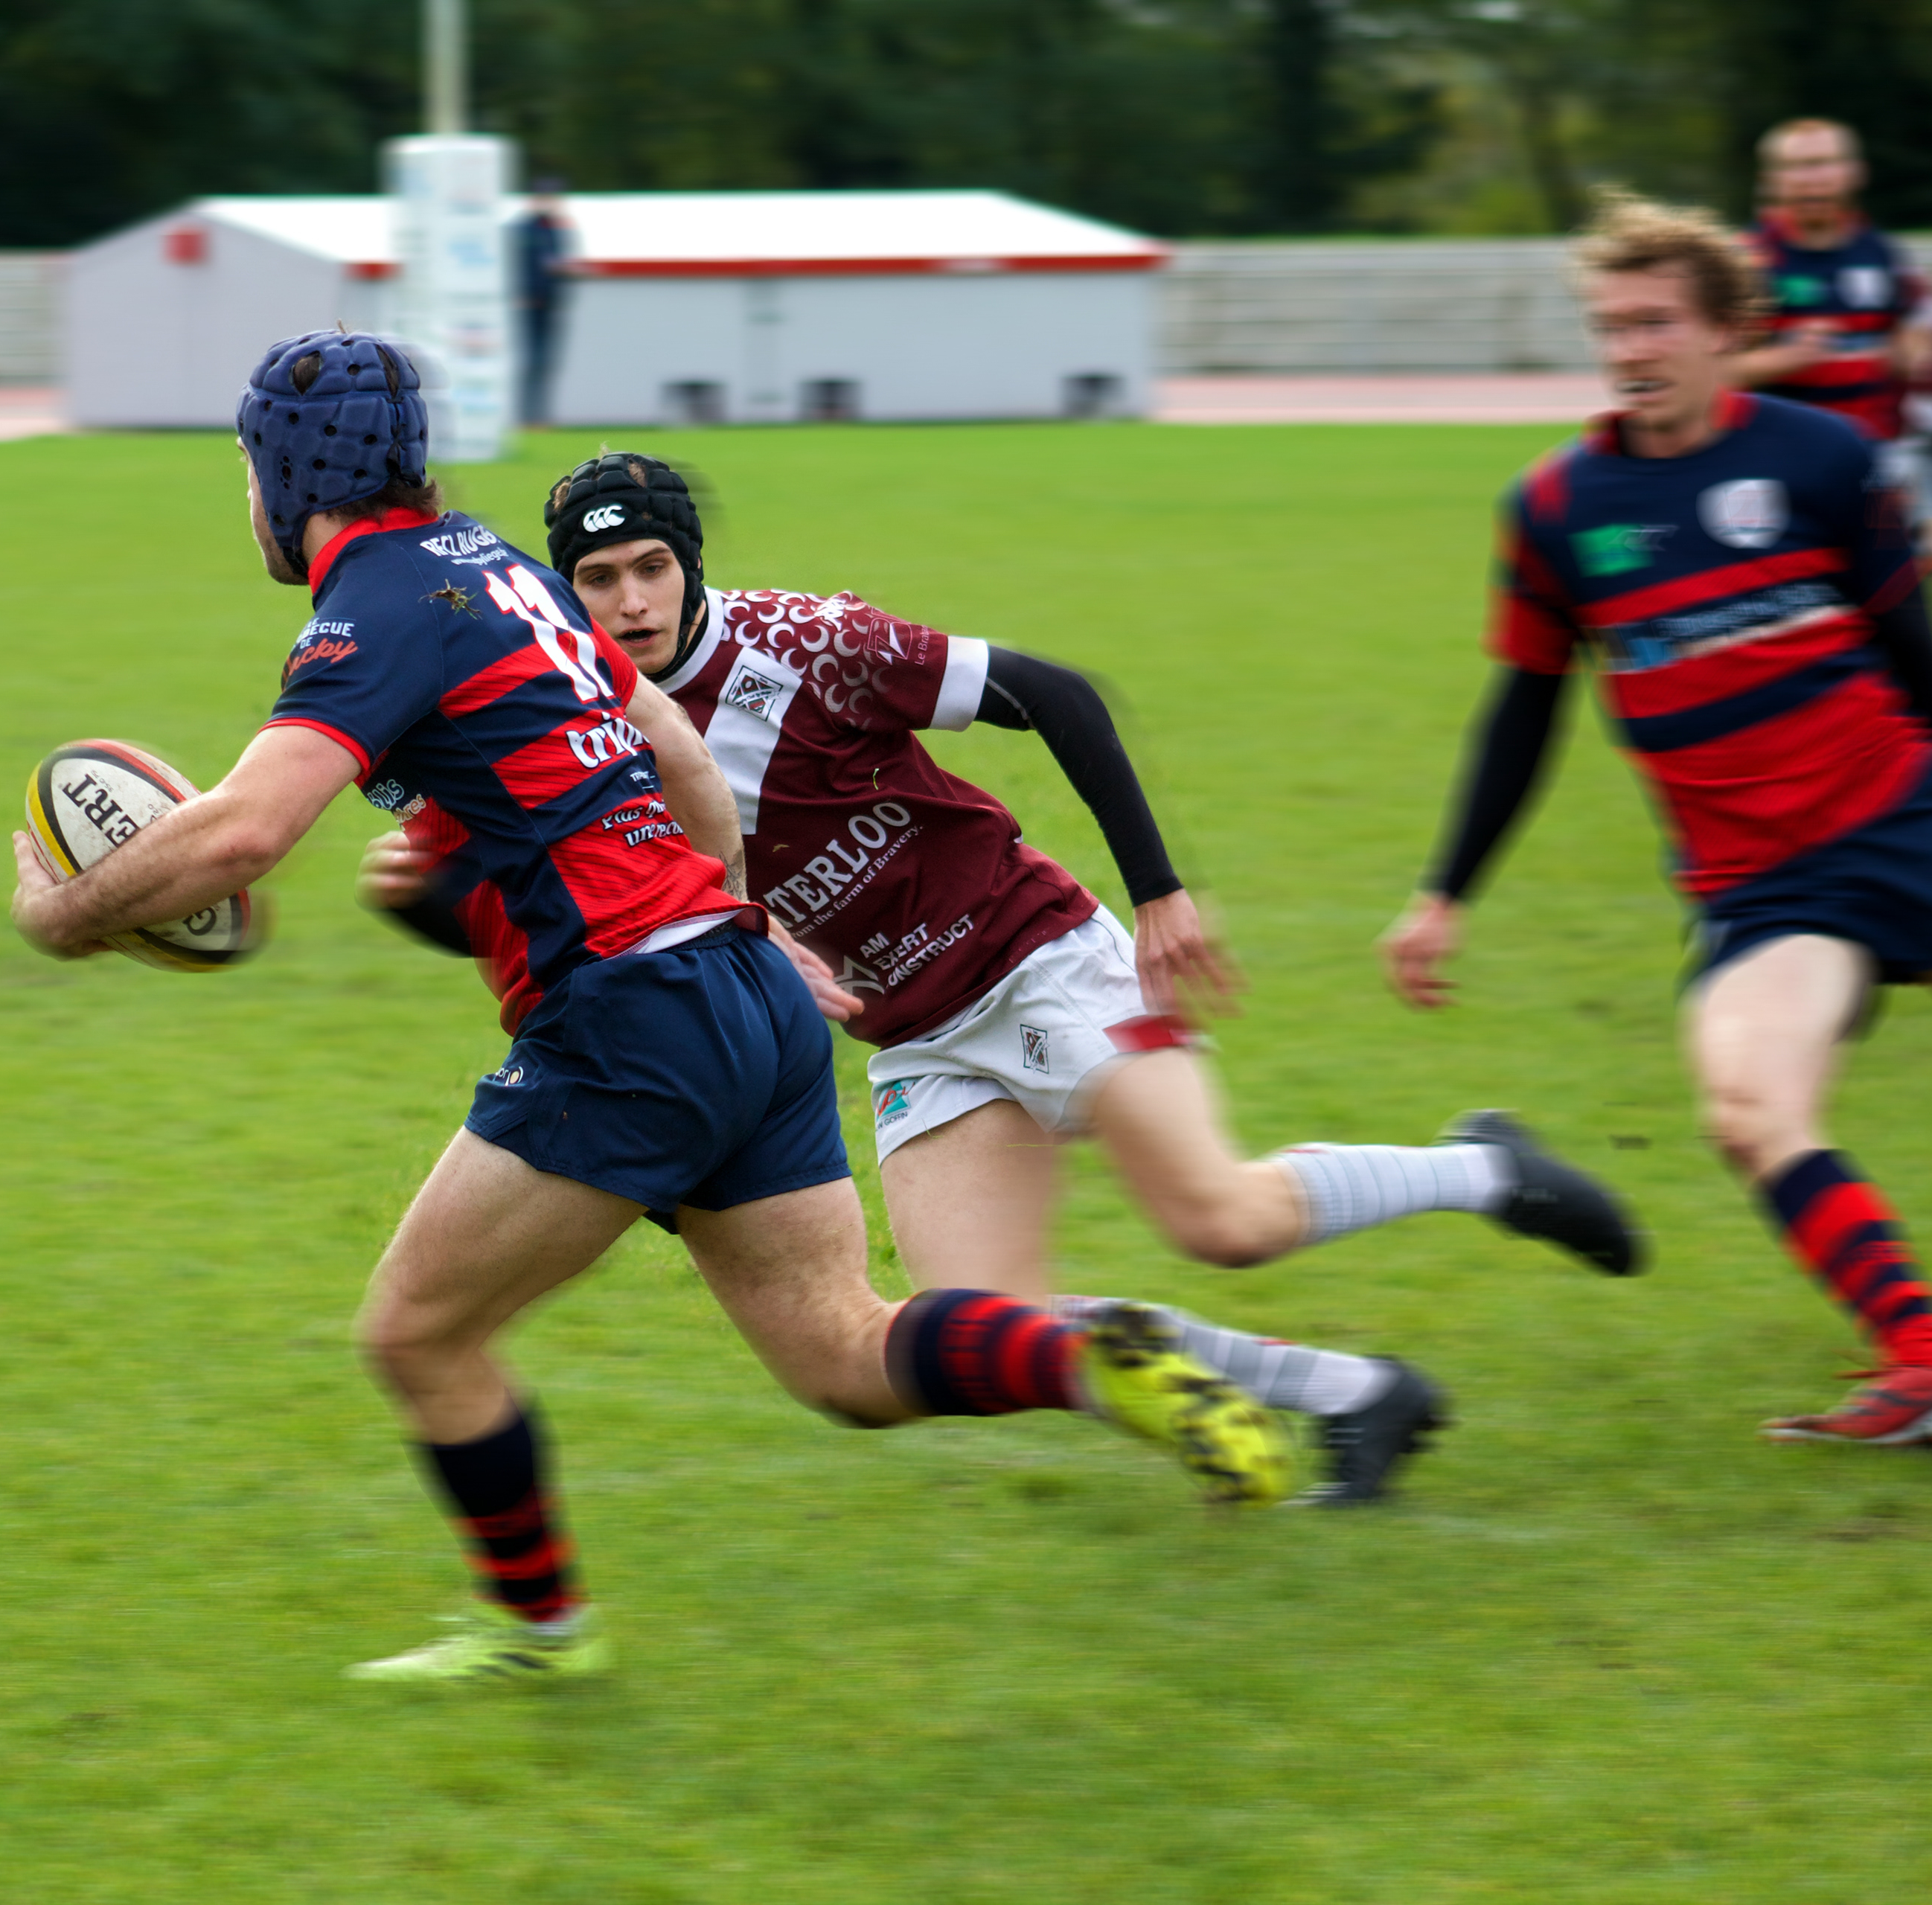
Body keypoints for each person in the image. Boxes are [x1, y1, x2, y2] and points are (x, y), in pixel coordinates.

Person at [10, 330, 1296, 1688]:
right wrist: (730, 914)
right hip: (741, 988)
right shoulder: (499, 567)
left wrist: (63, 916)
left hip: (628, 1017)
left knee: (416, 1335)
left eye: (245, 472)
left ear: (282, 478)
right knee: (842, 1356)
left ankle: (540, 1636)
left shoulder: (373, 607)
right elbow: (681, 752)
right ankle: (1081, 1357)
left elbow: (241, 836)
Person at [365, 452, 1642, 1503]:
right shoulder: (588, 720)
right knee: (983, 1321)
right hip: (917, 1037)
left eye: (652, 567)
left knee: (1222, 1220)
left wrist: (1160, 892)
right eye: (598, 580)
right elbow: (571, 912)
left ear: (691, 567)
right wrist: (432, 898)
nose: (631, 601)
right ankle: (1357, 1393)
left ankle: (1487, 1168)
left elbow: (1055, 693)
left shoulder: (808, 645)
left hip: (1036, 958)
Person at [1384, 191, 1932, 1447]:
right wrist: (1443, 894)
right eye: (1610, 326)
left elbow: (1911, 646)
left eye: (1655, 323)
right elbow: (1524, 711)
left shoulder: (1822, 459)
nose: (1629, 349)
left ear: (1727, 331)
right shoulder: (1555, 509)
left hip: (1902, 813)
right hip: (1770, 890)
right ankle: (1920, 1357)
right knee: (1747, 1107)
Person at [1736, 119, 1928, 450]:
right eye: (1794, 166)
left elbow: (1908, 338)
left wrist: (1912, 353)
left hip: (1877, 449)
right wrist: (1780, 359)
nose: (1811, 179)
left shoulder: (1882, 252)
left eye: (1824, 163)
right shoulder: (1744, 261)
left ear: (1856, 172)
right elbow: (1707, 373)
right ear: (1769, 180)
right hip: (1783, 453)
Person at [510, 182, 577, 427]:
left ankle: (538, 417)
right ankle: (528, 417)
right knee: (532, 362)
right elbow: (524, 265)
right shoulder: (526, 229)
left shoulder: (552, 229)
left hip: (549, 303)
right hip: (530, 304)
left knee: (544, 363)